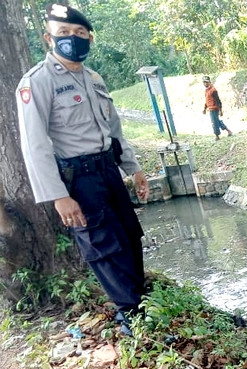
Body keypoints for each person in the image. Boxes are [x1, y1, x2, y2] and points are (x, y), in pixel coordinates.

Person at [16, 3, 149, 336]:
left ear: (89, 38)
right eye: (63, 34)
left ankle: (140, 303)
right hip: (78, 179)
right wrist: (58, 196)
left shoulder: (93, 78)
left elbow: (114, 129)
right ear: (48, 38)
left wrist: (134, 169)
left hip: (108, 170)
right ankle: (129, 315)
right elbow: (35, 145)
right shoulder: (37, 82)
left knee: (130, 235)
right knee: (104, 244)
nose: (72, 39)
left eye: (79, 33)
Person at [202, 75, 233, 140]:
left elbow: (218, 101)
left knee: (214, 122)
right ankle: (228, 131)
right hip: (210, 109)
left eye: (206, 82)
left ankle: (217, 136)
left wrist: (220, 110)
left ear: (209, 82)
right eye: (204, 82)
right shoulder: (206, 91)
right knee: (217, 121)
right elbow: (207, 101)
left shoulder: (213, 90)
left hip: (214, 109)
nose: (205, 84)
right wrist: (204, 109)